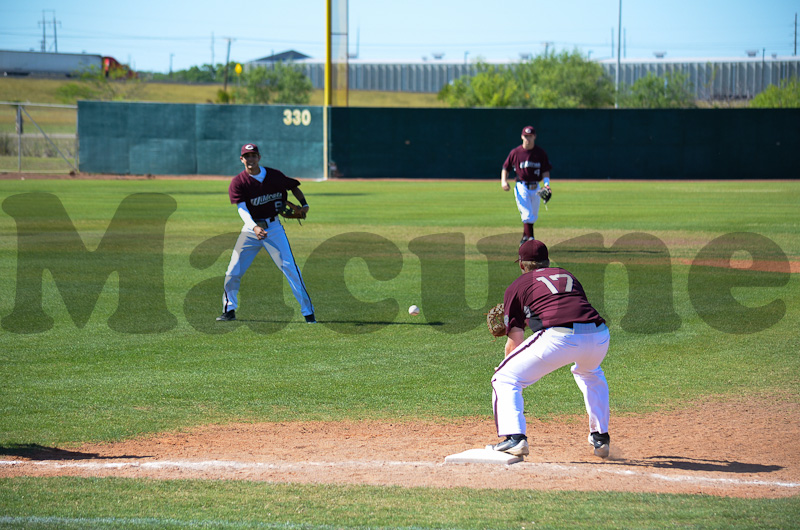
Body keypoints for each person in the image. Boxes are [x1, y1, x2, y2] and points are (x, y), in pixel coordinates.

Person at [489, 239, 611, 458]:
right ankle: (600, 437)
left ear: (521, 264)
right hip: (599, 334)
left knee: (504, 378)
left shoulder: (517, 286)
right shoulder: (567, 275)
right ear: (547, 261)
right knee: (590, 373)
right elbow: (570, 307)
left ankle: (514, 438)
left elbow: (515, 341)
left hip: (561, 337)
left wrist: (508, 366)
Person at [217, 143, 315, 323]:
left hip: (274, 229)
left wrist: (305, 204)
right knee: (233, 271)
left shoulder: (274, 176)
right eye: (247, 156)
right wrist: (253, 226)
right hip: (250, 230)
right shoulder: (239, 182)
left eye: (253, 155)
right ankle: (229, 310)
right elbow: (242, 209)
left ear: (259, 157)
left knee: (290, 269)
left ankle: (308, 313)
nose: (250, 159)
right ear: (242, 159)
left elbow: (293, 186)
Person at [500, 125, 553, 246]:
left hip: (536, 187)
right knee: (527, 215)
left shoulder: (540, 153)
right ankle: (531, 240)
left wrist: (547, 185)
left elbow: (545, 170)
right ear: (521, 136)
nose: (528, 138)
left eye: (530, 136)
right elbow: (505, 168)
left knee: (533, 216)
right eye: (526, 136)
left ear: (535, 136)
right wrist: (504, 181)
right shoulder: (516, 152)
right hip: (521, 186)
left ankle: (525, 237)